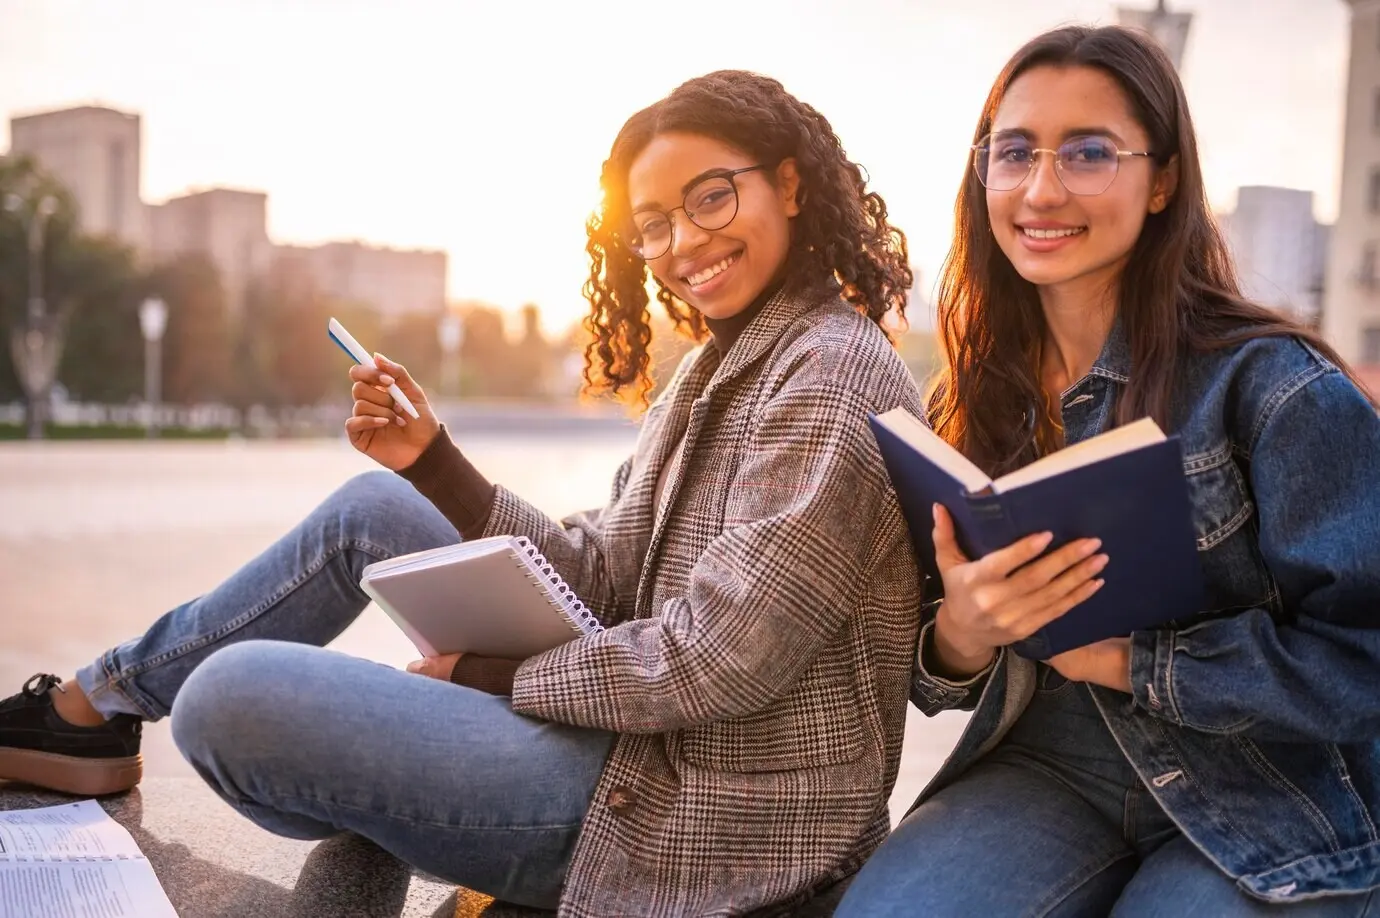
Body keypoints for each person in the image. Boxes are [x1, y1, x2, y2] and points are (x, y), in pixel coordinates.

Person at [0, 70, 926, 916]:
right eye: (653, 223)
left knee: (229, 702)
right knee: (377, 508)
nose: (684, 244)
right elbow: (604, 573)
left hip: (706, 813)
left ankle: (389, 809)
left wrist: (486, 681)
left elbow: (713, 662)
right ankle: (98, 707)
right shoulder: (716, 365)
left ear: (791, 186)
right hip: (639, 738)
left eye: (711, 197)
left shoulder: (831, 376)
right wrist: (432, 458)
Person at [836, 24, 1380, 918]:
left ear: (1162, 179)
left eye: (1090, 153)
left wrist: (1137, 662)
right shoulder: (971, 400)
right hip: (1049, 762)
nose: (1042, 188)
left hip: (1269, 784)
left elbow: (1364, 655)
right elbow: (935, 670)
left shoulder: (1277, 390)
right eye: (1014, 153)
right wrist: (965, 633)